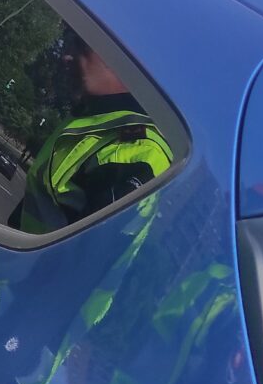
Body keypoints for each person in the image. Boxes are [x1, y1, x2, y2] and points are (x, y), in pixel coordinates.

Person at [17, 33, 174, 235]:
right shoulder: (92, 119)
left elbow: (82, 257)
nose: (67, 56)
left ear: (118, 61)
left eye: (81, 47)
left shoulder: (138, 151)